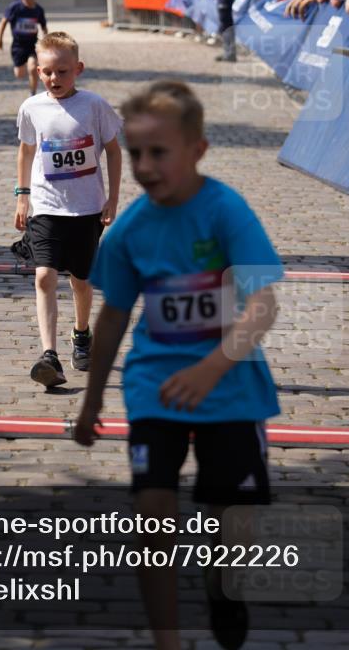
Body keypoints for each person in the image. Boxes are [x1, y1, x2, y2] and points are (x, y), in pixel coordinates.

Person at [74, 80, 282, 650]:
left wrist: (212, 368)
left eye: (157, 152)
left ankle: (224, 591)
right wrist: (92, 400)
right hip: (154, 384)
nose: (143, 165)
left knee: (228, 516)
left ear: (197, 150)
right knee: (152, 510)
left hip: (231, 383)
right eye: (135, 153)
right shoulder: (129, 232)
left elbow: (263, 302)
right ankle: (167, 640)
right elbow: (114, 317)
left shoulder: (225, 210)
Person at [13, 31, 122, 387]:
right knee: (44, 275)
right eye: (47, 72)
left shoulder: (94, 105)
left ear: (78, 69)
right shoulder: (31, 107)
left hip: (87, 208)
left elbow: (114, 150)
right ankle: (49, 355)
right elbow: (27, 151)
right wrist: (23, 195)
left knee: (81, 281)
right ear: (38, 71)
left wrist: (113, 197)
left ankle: (81, 333)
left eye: (62, 71)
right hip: (46, 206)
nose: (53, 79)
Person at [0, 0, 48, 96]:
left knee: (33, 67)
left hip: (32, 44)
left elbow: (44, 27)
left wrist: (46, 41)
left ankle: (32, 93)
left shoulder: (38, 10)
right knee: (19, 74)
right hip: (18, 46)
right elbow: (4, 22)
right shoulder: (14, 7)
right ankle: (22, 66)